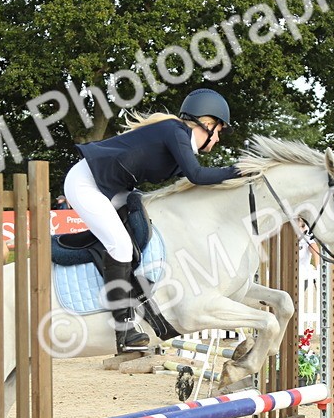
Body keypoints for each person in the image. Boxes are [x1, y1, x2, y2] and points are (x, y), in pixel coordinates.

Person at [65, 87, 246, 352]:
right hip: (86, 183)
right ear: (206, 124)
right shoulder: (176, 131)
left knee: (140, 236)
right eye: (218, 131)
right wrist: (239, 170)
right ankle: (124, 329)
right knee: (121, 246)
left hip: (112, 188)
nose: (217, 139)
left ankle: (141, 305)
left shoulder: (177, 137)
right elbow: (196, 176)